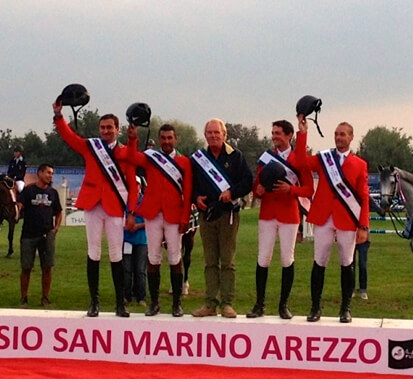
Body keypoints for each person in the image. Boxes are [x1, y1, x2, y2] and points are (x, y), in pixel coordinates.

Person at [53, 100, 137, 318]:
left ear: (117, 129)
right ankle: (94, 302)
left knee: (116, 255)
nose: (106, 131)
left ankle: (120, 304)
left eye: (110, 127)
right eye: (103, 128)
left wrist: (132, 211)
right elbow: (70, 138)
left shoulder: (126, 152)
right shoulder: (91, 147)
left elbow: (132, 185)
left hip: (115, 207)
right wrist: (58, 116)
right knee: (93, 252)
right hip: (92, 205)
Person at [296, 116, 370, 323]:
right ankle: (315, 308)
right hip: (323, 218)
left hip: (347, 218)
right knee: (319, 262)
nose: (339, 137)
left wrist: (363, 226)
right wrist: (302, 133)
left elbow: (364, 196)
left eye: (343, 134)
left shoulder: (360, 164)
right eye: (337, 134)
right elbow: (301, 161)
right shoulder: (323, 158)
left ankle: (345, 309)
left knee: (347, 263)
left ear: (351, 137)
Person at [247, 120, 314, 319]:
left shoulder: (299, 159)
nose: (274, 136)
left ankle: (283, 305)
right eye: (273, 133)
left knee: (287, 258)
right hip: (267, 212)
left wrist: (291, 189)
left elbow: (309, 189)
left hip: (288, 214)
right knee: (263, 258)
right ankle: (259, 304)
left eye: (278, 133)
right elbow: (257, 186)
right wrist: (257, 191)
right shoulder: (266, 158)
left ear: (289, 136)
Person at [126, 123, 193, 317]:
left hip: (174, 214)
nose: (166, 142)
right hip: (153, 214)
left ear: (175, 139)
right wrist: (132, 139)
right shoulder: (150, 158)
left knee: (175, 257)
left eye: (169, 138)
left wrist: (185, 216)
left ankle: (176, 304)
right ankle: (154, 303)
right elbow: (131, 157)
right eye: (163, 138)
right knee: (153, 257)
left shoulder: (184, 162)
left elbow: (187, 192)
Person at [190, 118, 253, 318]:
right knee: (210, 262)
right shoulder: (198, 159)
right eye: (210, 133)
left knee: (227, 261)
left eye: (217, 133)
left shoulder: (236, 156)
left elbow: (248, 182)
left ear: (224, 135)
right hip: (206, 214)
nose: (213, 136)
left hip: (228, 215)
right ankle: (210, 303)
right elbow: (190, 184)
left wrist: (232, 192)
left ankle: (227, 303)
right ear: (205, 135)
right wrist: (195, 197)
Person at [18, 163, 63, 307]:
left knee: (47, 267)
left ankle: (45, 297)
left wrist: (55, 228)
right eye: (48, 172)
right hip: (29, 235)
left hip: (47, 234)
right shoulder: (28, 190)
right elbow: (19, 206)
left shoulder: (53, 193)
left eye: (52, 173)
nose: (50, 176)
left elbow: (59, 212)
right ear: (40, 173)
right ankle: (24, 298)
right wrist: (18, 209)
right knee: (26, 267)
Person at [123, 176, 148, 307]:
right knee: (126, 269)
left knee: (140, 269)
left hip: (142, 240)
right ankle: (126, 296)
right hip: (127, 238)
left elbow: (150, 220)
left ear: (140, 186)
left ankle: (141, 297)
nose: (135, 187)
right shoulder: (124, 201)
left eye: (137, 184)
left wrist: (138, 226)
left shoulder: (145, 201)